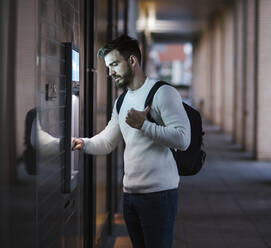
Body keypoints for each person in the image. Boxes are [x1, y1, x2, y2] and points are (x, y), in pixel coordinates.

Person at [72, 35, 191, 248]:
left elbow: (183, 139)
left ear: (133, 61)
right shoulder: (122, 101)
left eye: (115, 64)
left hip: (159, 195)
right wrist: (84, 142)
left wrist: (144, 125)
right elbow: (108, 141)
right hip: (130, 195)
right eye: (108, 67)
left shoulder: (162, 93)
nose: (110, 72)